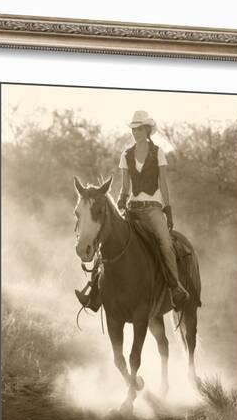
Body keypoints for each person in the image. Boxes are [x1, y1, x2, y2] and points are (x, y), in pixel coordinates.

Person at [75, 110, 189, 311]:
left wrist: (168, 208)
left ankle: (175, 288)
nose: (135, 132)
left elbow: (162, 183)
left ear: (147, 129)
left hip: (153, 210)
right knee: (107, 241)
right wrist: (120, 201)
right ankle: (94, 293)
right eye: (133, 129)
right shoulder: (125, 155)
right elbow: (125, 187)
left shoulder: (159, 153)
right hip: (132, 209)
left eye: (139, 129)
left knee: (165, 244)